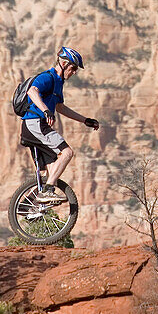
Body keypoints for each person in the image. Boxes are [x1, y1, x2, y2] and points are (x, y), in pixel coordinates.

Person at [21, 46, 100, 204]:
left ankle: (27, 206)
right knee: (67, 153)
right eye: (73, 68)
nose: (74, 72)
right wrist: (45, 111)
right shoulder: (48, 77)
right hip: (35, 123)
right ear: (64, 64)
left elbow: (60, 108)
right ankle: (47, 192)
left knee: (52, 173)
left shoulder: (58, 83)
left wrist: (85, 120)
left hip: (37, 125)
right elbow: (32, 91)